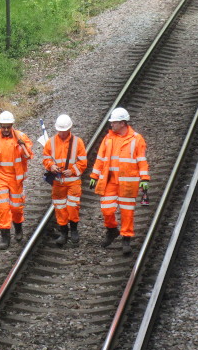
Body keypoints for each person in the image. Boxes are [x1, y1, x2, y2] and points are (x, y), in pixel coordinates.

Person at [89, 107, 150, 255]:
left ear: (123, 123)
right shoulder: (108, 139)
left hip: (127, 183)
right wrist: (94, 176)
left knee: (127, 212)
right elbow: (100, 159)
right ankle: (112, 230)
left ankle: (126, 239)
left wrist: (144, 178)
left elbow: (141, 160)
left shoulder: (136, 139)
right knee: (106, 209)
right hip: (109, 182)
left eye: (114, 123)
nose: (111, 125)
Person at [0, 111, 33, 249]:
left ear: (12, 125)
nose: (5, 130)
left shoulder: (21, 137)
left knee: (16, 207)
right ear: (0, 125)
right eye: (3, 127)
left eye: (8, 127)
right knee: (3, 207)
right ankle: (5, 237)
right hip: (1, 178)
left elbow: (29, 155)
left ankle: (18, 228)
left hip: (16, 179)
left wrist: (23, 146)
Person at [42, 114, 88, 246]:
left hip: (73, 181)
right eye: (60, 131)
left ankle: (74, 230)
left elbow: (83, 162)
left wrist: (72, 170)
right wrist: (52, 166)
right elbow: (46, 158)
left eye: (64, 130)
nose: (62, 133)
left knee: (73, 206)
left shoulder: (77, 142)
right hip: (58, 181)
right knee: (60, 208)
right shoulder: (50, 142)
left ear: (69, 129)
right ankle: (64, 233)